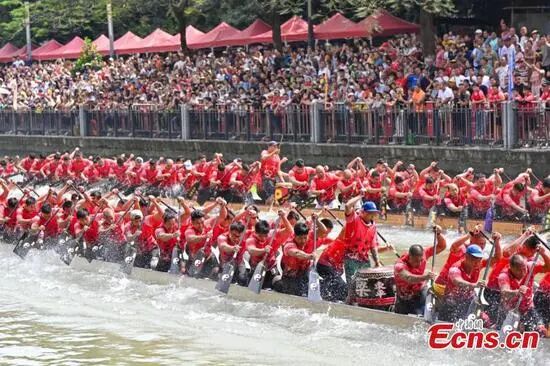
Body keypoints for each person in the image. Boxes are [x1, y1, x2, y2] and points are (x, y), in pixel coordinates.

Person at [394, 226, 446, 315]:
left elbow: (441, 246)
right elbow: (408, 278)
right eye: (415, 261)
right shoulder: (399, 265)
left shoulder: (424, 254)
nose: (419, 264)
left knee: (421, 313)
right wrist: (425, 276)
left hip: (420, 291)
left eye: (421, 260)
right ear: (409, 257)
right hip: (404, 296)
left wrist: (438, 234)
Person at [498, 245, 550, 334]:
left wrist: (543, 254)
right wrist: (517, 292)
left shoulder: (530, 267)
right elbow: (504, 292)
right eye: (519, 270)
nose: (523, 273)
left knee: (541, 331)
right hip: (510, 310)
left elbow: (548, 267)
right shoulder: (504, 276)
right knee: (508, 334)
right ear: (511, 268)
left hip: (528, 308)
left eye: (524, 269)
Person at [439, 244, 486, 322]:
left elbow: (497, 258)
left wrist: (497, 242)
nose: (477, 262)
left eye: (479, 259)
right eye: (474, 259)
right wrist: (474, 286)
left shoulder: (477, 266)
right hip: (452, 302)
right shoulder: (455, 269)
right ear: (467, 256)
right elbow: (458, 282)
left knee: (485, 319)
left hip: (468, 301)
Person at [272, 222, 316, 296]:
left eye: (305, 238)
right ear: (294, 236)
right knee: (296, 292)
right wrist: (309, 256)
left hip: (304, 273)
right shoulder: (289, 245)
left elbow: (323, 231)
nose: (303, 241)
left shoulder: (311, 237)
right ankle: (277, 281)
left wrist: (316, 220)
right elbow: (297, 253)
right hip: (290, 276)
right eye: (300, 238)